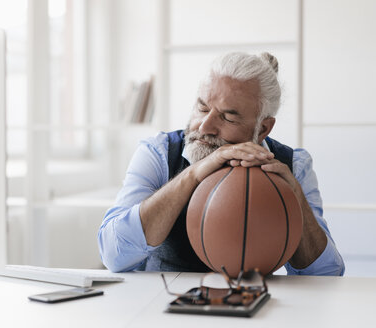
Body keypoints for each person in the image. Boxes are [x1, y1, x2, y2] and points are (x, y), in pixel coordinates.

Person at [98, 52, 345, 275]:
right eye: (202, 108)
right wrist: (192, 175)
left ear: (263, 128)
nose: (205, 126)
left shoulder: (294, 165)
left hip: (255, 308)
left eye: (227, 117)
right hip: (162, 306)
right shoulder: (158, 152)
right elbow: (113, 255)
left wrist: (296, 200)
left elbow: (327, 275)